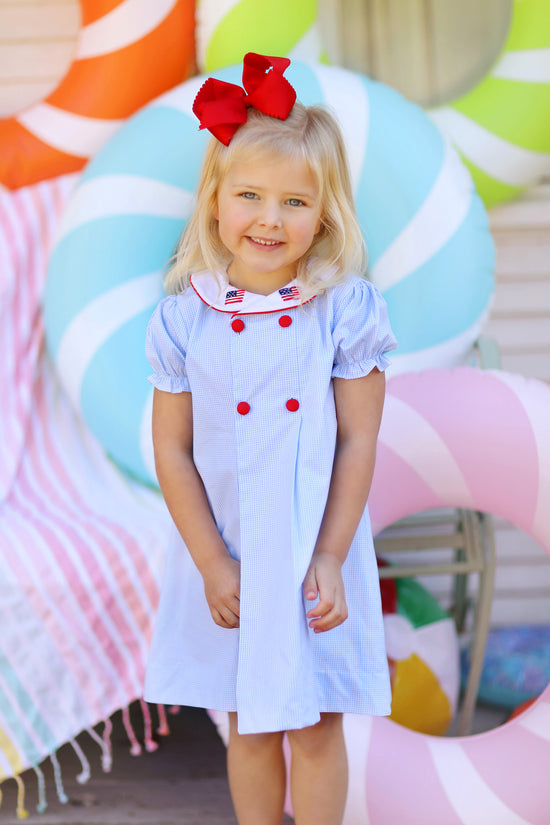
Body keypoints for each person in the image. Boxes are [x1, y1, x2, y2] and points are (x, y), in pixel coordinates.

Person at [144, 53, 397, 825]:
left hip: (313, 548)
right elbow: (173, 452)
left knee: (316, 721)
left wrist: (328, 553)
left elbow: (358, 440)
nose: (268, 217)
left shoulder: (343, 311)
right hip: (227, 548)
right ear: (213, 201)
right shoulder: (184, 317)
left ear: (322, 214)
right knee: (247, 724)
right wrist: (212, 560)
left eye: (293, 201)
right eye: (248, 194)